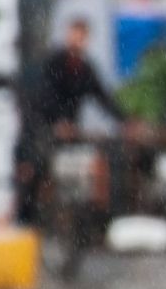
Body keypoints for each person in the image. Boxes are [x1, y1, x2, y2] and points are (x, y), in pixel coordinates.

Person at [14, 18, 130, 226]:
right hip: (42, 126)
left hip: (68, 130)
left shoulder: (85, 69)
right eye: (75, 35)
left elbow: (103, 97)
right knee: (34, 164)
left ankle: (88, 219)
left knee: (98, 162)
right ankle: (25, 219)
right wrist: (57, 121)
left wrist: (126, 120)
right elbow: (42, 96)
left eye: (82, 36)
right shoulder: (53, 63)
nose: (78, 41)